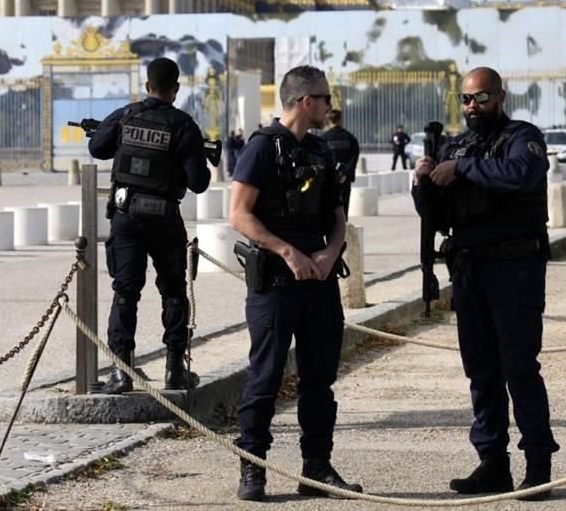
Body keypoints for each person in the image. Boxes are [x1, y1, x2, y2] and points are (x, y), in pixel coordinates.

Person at [412, 66, 558, 500]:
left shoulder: (521, 137)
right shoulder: (456, 145)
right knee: (482, 372)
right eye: (466, 100)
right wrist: (424, 180)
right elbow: (437, 216)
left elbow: (519, 175)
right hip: (470, 271)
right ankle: (492, 463)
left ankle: (539, 465)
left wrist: (462, 167)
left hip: (515, 270)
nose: (473, 107)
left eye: (481, 98)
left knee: (519, 368)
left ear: (500, 96)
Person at [229, 65, 362, 501]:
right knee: (265, 378)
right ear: (307, 101)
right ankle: (254, 468)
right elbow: (239, 214)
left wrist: (330, 252)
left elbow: (338, 217)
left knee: (319, 380)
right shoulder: (262, 148)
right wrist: (287, 251)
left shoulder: (322, 152)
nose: (329, 106)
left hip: (319, 282)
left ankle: (316, 468)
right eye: (324, 98)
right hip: (275, 284)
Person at [88, 57, 211, 395]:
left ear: (147, 86)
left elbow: (97, 148)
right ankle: (175, 371)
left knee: (125, 293)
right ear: (176, 88)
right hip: (165, 219)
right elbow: (199, 183)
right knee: (173, 292)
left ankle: (120, 373)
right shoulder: (184, 125)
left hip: (127, 217)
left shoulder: (127, 116)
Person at [322, 109, 361, 218]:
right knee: (344, 208)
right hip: (345, 179)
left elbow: (322, 160)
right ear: (340, 120)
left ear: (328, 121)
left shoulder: (323, 138)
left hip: (329, 179)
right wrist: (345, 174)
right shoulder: (350, 138)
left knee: (329, 208)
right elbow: (353, 159)